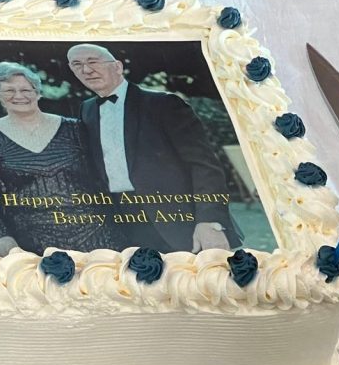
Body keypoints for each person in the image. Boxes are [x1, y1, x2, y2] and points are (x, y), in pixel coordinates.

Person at [67, 43, 242, 253]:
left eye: (93, 62)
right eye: (77, 65)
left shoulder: (165, 104)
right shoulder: (86, 110)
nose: (86, 70)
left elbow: (204, 165)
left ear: (118, 67)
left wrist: (209, 221)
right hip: (122, 224)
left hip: (177, 221)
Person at [0, 61, 120, 255]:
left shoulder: (75, 128)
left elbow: (105, 174)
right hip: (32, 242)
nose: (19, 96)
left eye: (26, 89)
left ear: (38, 93)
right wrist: (0, 235)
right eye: (9, 91)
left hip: (96, 233)